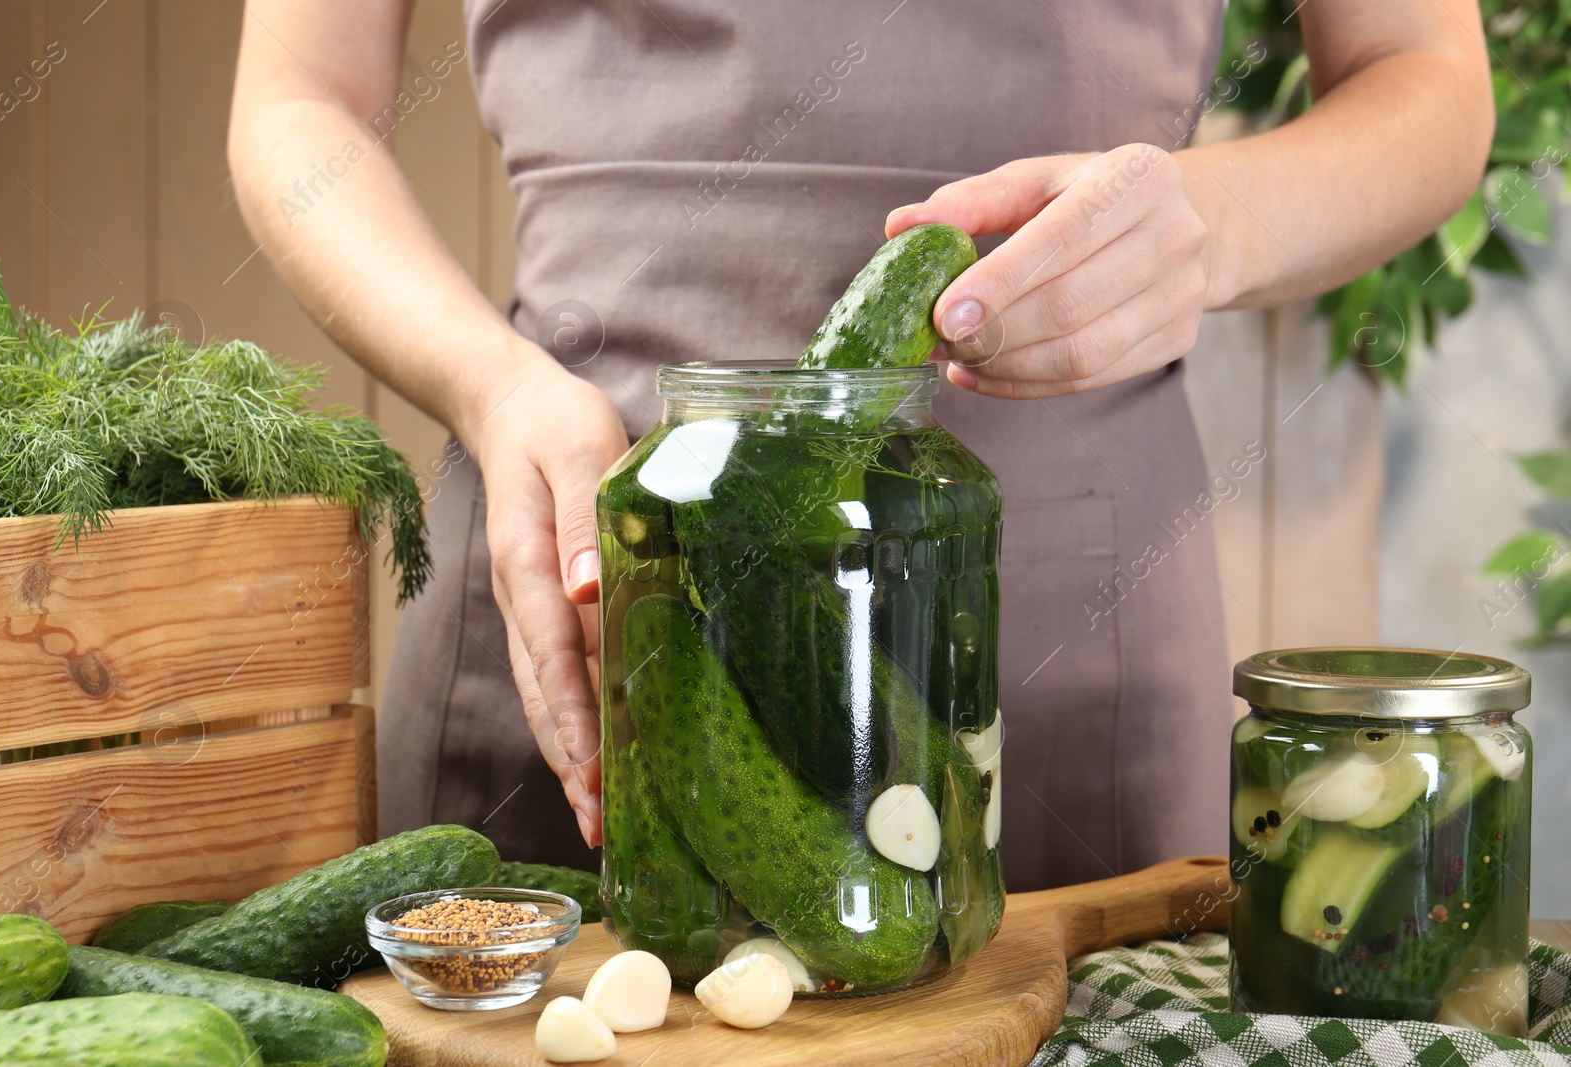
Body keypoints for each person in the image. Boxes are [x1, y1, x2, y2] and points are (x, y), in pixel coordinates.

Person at [227, 0, 1493, 890]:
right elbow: (301, 97)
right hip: (581, 558)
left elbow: (1424, 72)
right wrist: (491, 385)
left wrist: (1206, 223)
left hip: (1064, 613)